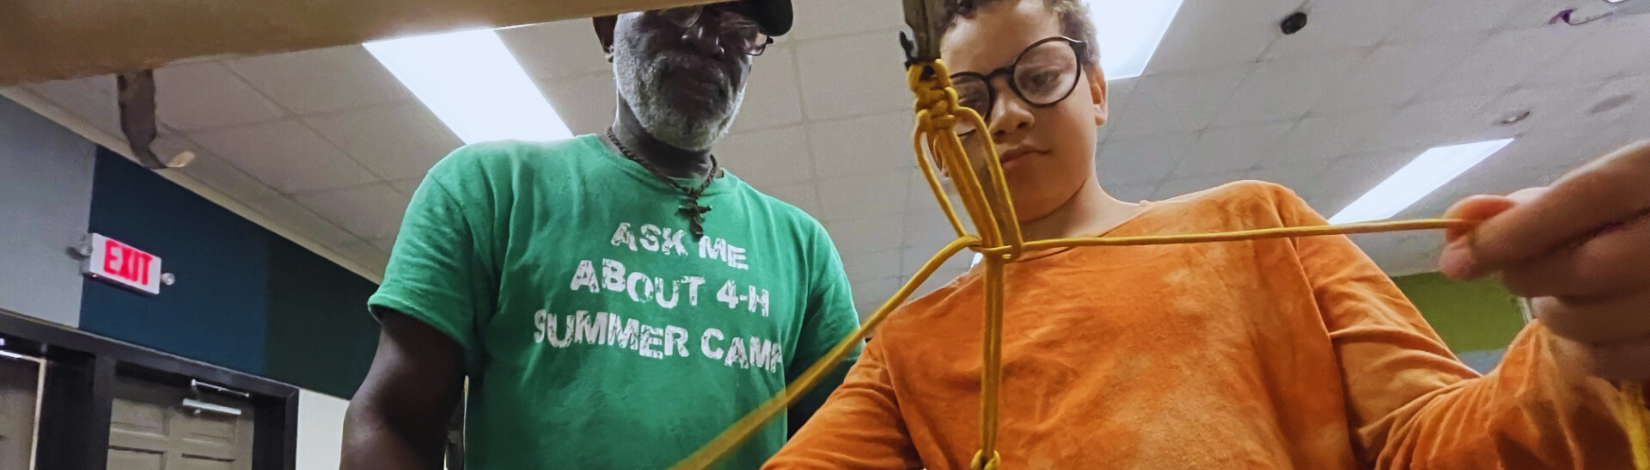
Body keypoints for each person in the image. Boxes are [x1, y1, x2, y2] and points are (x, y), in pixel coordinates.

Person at [763, 0, 1650, 468]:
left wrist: (1590, 361)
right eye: (968, 101)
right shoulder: (911, 345)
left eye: (1037, 77)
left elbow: (1437, 441)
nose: (1003, 117)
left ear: (1097, 91)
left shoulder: (1255, 223)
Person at [342, 2, 863, 469]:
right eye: (678, 9)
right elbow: (395, 421)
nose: (708, 39)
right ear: (606, 26)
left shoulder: (804, 248)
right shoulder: (489, 190)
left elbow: (848, 445)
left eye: (739, 24)